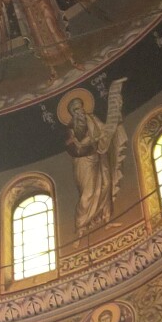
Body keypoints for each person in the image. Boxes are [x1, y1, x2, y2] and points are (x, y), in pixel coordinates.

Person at [63, 91, 124, 237]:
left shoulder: (92, 119)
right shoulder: (71, 127)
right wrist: (87, 144)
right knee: (88, 194)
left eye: (81, 107)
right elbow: (72, 148)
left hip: (99, 156)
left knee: (106, 185)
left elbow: (105, 130)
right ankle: (80, 228)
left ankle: (107, 219)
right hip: (84, 162)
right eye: (76, 109)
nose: (81, 111)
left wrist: (114, 121)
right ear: (72, 112)